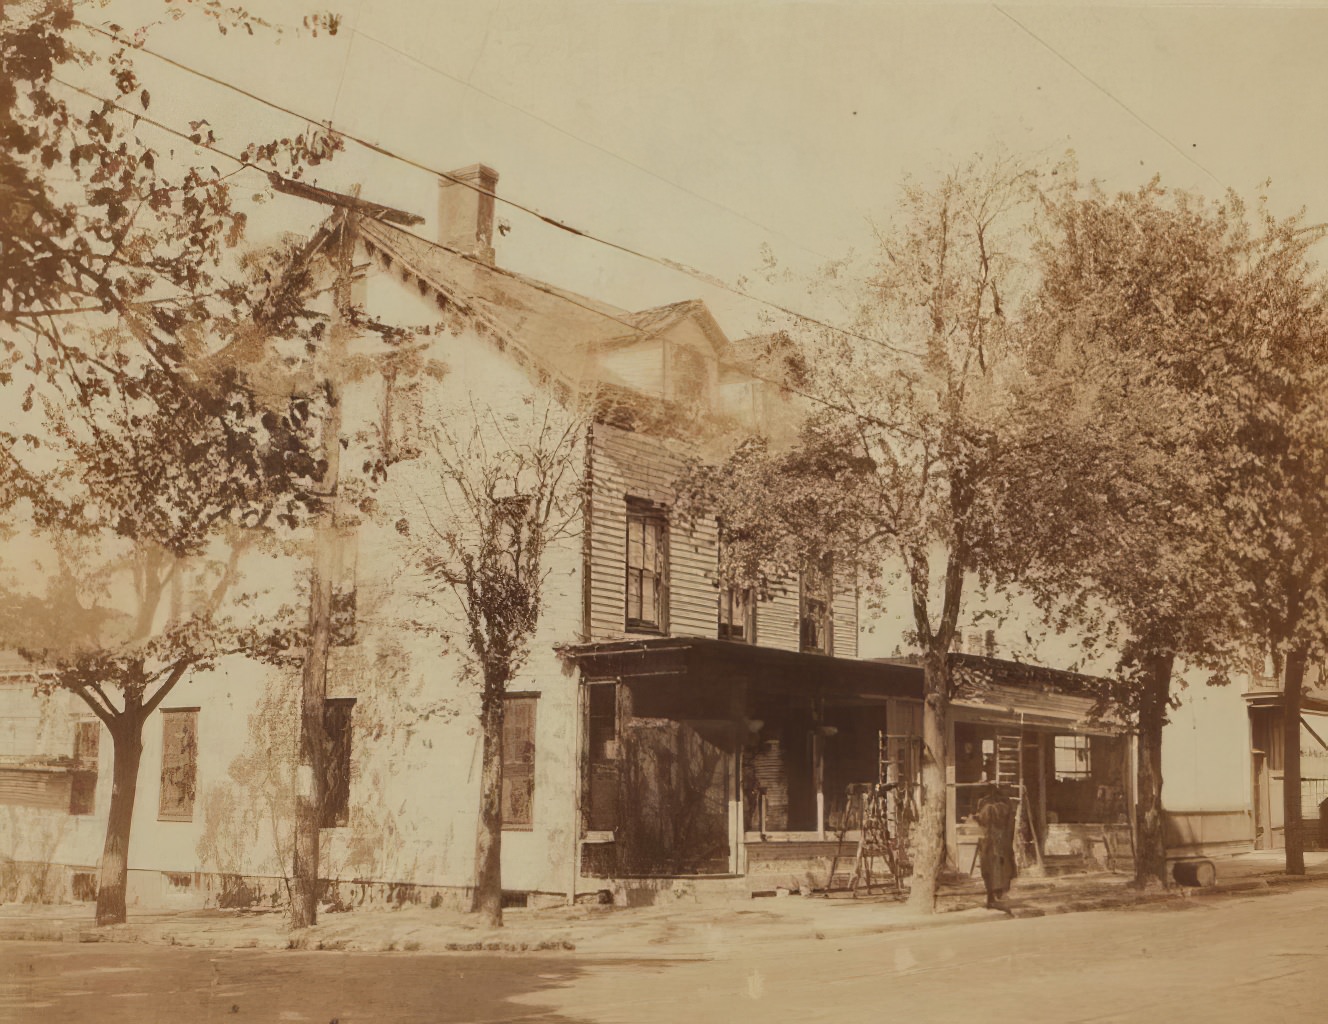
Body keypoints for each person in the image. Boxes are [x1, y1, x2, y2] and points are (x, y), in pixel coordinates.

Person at [974, 784, 1016, 908]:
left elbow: (982, 822)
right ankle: (1000, 893)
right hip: (1002, 841)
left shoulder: (986, 807)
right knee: (1003, 868)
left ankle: (991, 897)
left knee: (989, 870)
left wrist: (976, 819)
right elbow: (1010, 825)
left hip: (989, 842)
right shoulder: (1006, 806)